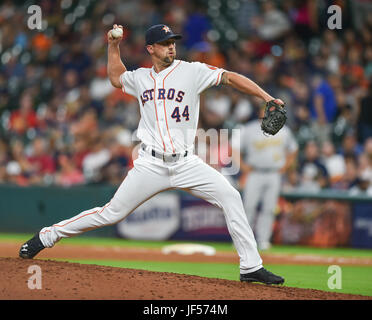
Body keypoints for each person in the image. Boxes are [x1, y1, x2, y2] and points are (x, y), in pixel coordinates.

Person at [19, 24, 285, 285]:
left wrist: (266, 96)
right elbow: (116, 77)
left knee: (231, 196)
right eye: (165, 43)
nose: (172, 47)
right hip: (150, 163)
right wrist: (113, 45)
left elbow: (229, 77)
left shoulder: (192, 71)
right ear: (151, 49)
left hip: (186, 162)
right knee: (110, 213)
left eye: (173, 42)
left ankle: (251, 267)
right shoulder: (141, 78)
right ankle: (47, 236)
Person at [231, 107, 298, 250]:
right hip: (255, 173)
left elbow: (293, 149)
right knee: (248, 207)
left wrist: (286, 166)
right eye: (264, 110)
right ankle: (242, 241)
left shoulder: (283, 130)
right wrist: (242, 166)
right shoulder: (249, 129)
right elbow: (234, 147)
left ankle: (263, 240)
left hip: (274, 173)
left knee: (269, 208)